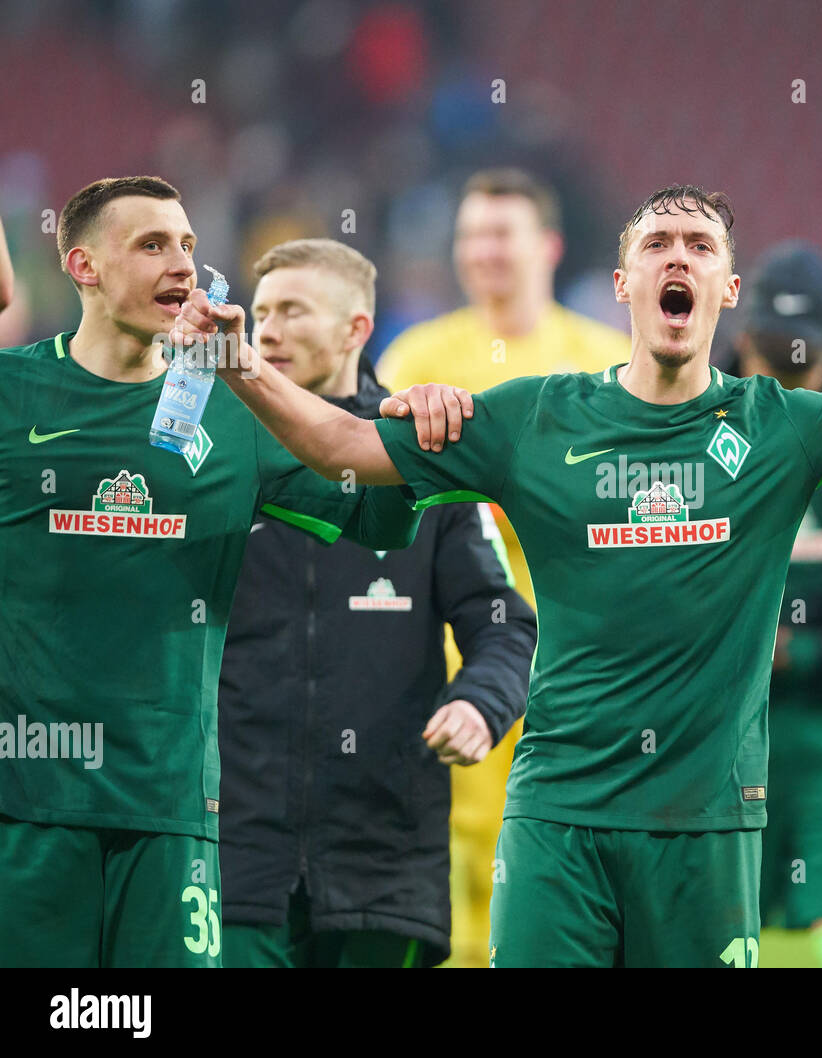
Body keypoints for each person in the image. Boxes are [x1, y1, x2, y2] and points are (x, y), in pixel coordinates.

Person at [176, 183, 822, 968]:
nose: (678, 258)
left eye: (700, 247)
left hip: (704, 829)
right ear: (622, 284)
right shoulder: (533, 416)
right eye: (657, 243)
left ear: (726, 293)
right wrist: (240, 365)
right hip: (559, 814)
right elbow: (351, 450)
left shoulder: (785, 425)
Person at [0, 177, 421, 969]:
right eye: (153, 245)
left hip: (172, 814)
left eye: (189, 246)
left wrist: (405, 419)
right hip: (21, 810)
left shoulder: (232, 411)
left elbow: (377, 515)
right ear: (83, 266)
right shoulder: (11, 392)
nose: (182, 265)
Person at [217, 239, 536, 969]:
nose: (266, 331)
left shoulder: (424, 465)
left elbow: (503, 621)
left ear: (357, 328)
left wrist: (480, 703)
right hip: (236, 855)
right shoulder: (217, 455)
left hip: (384, 859)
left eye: (292, 311)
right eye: (260, 313)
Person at [378, 168, 628, 964]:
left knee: (553, 888)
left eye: (501, 233)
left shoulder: (601, 360)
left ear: (548, 246)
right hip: (445, 667)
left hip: (571, 672)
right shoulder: (418, 355)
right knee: (442, 903)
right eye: (471, 235)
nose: (483, 251)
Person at [732, 241, 822, 967]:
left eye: (799, 361)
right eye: (770, 356)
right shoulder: (686, 420)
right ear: (741, 339)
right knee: (706, 923)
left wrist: (805, 647)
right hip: (711, 718)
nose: (784, 378)